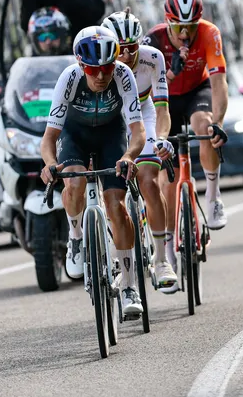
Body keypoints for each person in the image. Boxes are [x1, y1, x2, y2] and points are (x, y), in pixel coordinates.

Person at [40, 25, 146, 315]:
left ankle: (129, 285)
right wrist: (49, 164)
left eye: (107, 67)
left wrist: (129, 156)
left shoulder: (123, 75)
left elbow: (138, 132)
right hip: (75, 135)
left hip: (112, 135)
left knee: (116, 206)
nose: (101, 76)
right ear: (80, 65)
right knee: (73, 183)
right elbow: (49, 138)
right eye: (92, 69)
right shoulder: (69, 78)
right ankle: (76, 238)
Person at [141, 0, 229, 271]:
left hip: (196, 92)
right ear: (167, 21)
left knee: (205, 126)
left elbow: (219, 84)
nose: (185, 33)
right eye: (179, 26)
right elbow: (144, 90)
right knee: (168, 182)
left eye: (191, 26)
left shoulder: (209, 33)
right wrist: (170, 73)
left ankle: (213, 196)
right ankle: (167, 248)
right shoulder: (153, 40)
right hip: (165, 100)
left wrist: (219, 123)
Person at [101, 8, 179, 293]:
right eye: (119, 49)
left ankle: (161, 259)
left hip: (143, 115)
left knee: (149, 181)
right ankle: (114, 254)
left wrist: (161, 139)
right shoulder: (101, 61)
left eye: (132, 47)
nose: (125, 55)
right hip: (111, 119)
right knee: (112, 195)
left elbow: (162, 109)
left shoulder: (153, 58)